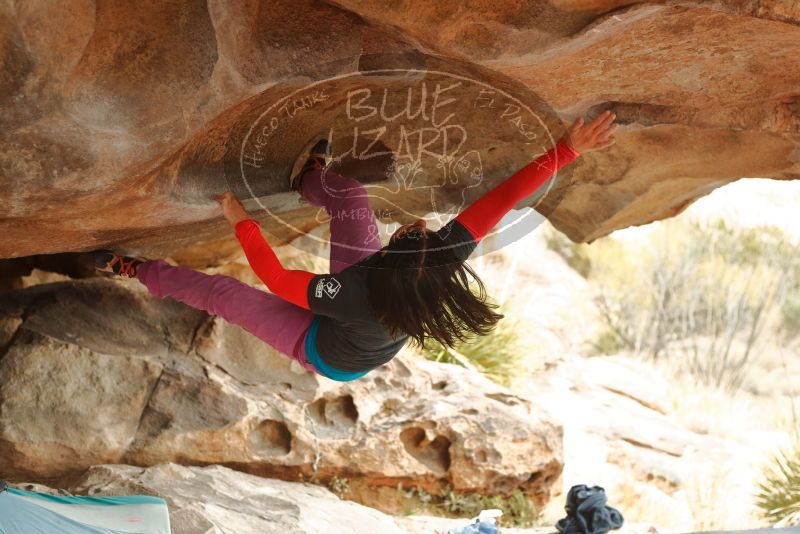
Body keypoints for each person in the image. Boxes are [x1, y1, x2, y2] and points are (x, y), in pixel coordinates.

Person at [94, 111, 618, 382]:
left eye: (411, 233)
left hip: (328, 349)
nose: (416, 223)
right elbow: (502, 199)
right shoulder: (436, 261)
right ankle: (310, 180)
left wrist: (241, 219)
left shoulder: (351, 293)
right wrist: (569, 149)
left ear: (385, 261)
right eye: (423, 233)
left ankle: (137, 269)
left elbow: (275, 281)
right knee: (350, 196)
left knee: (226, 295)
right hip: (377, 302)